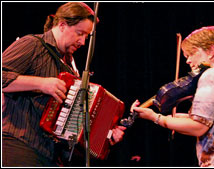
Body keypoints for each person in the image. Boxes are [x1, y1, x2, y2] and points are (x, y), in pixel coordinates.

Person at [2, 2, 126, 167]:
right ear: (62, 25)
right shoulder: (33, 44)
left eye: (86, 36)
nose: (82, 42)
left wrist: (105, 134)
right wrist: (41, 83)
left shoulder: (70, 66)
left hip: (52, 156)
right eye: (79, 33)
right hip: (20, 146)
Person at [131, 26, 214, 167]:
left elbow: (198, 126)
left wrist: (156, 118)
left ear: (211, 50)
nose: (187, 61)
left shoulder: (212, 75)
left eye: (191, 54)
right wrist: (170, 117)